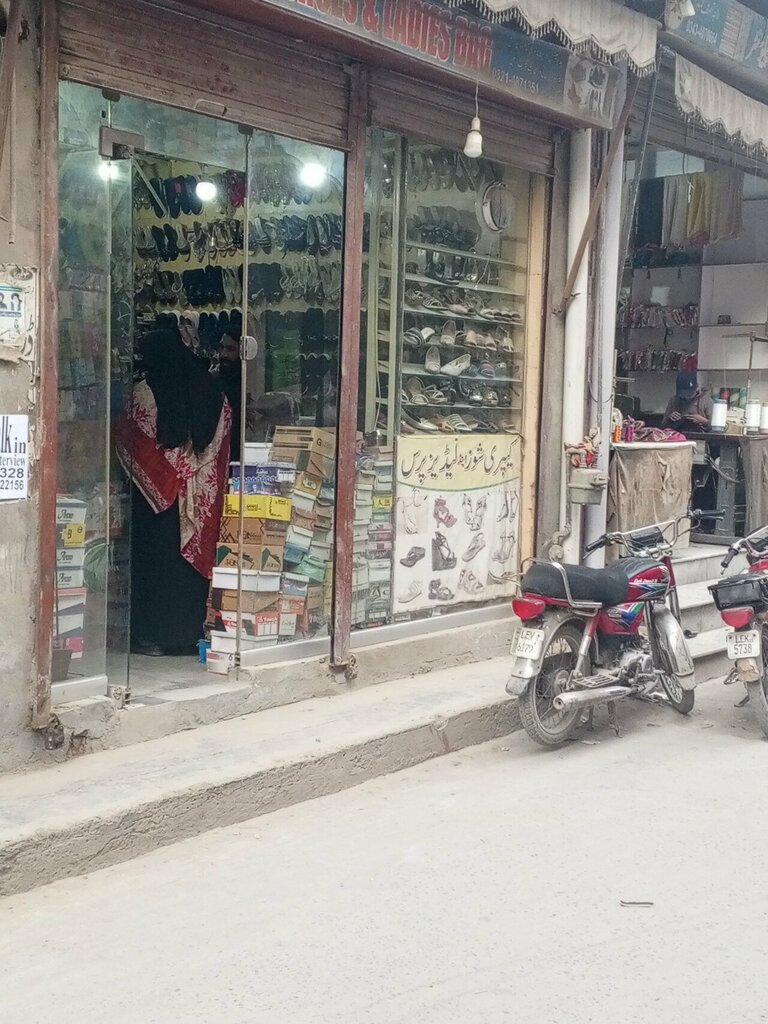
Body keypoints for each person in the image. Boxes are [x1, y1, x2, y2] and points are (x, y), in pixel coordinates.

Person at [117, 319, 232, 656]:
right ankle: (186, 634)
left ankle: (152, 635)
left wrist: (167, 474)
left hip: (155, 507)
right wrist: (191, 475)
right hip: (196, 501)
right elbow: (221, 441)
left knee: (154, 567)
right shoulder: (212, 392)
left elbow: (127, 440)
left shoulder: (144, 393)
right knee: (185, 573)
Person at [214, 330, 242, 462]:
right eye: (221, 348)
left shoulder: (254, 381)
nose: (223, 354)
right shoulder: (213, 379)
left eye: (230, 349)